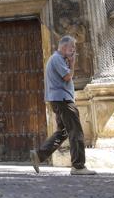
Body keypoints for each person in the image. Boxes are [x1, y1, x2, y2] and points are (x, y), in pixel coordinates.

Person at [30, 36, 96, 175]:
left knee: (63, 132)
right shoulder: (57, 59)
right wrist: (72, 63)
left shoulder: (56, 59)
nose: (73, 51)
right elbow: (67, 77)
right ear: (64, 47)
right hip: (64, 100)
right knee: (76, 131)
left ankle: (39, 154)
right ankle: (78, 166)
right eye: (72, 48)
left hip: (59, 100)